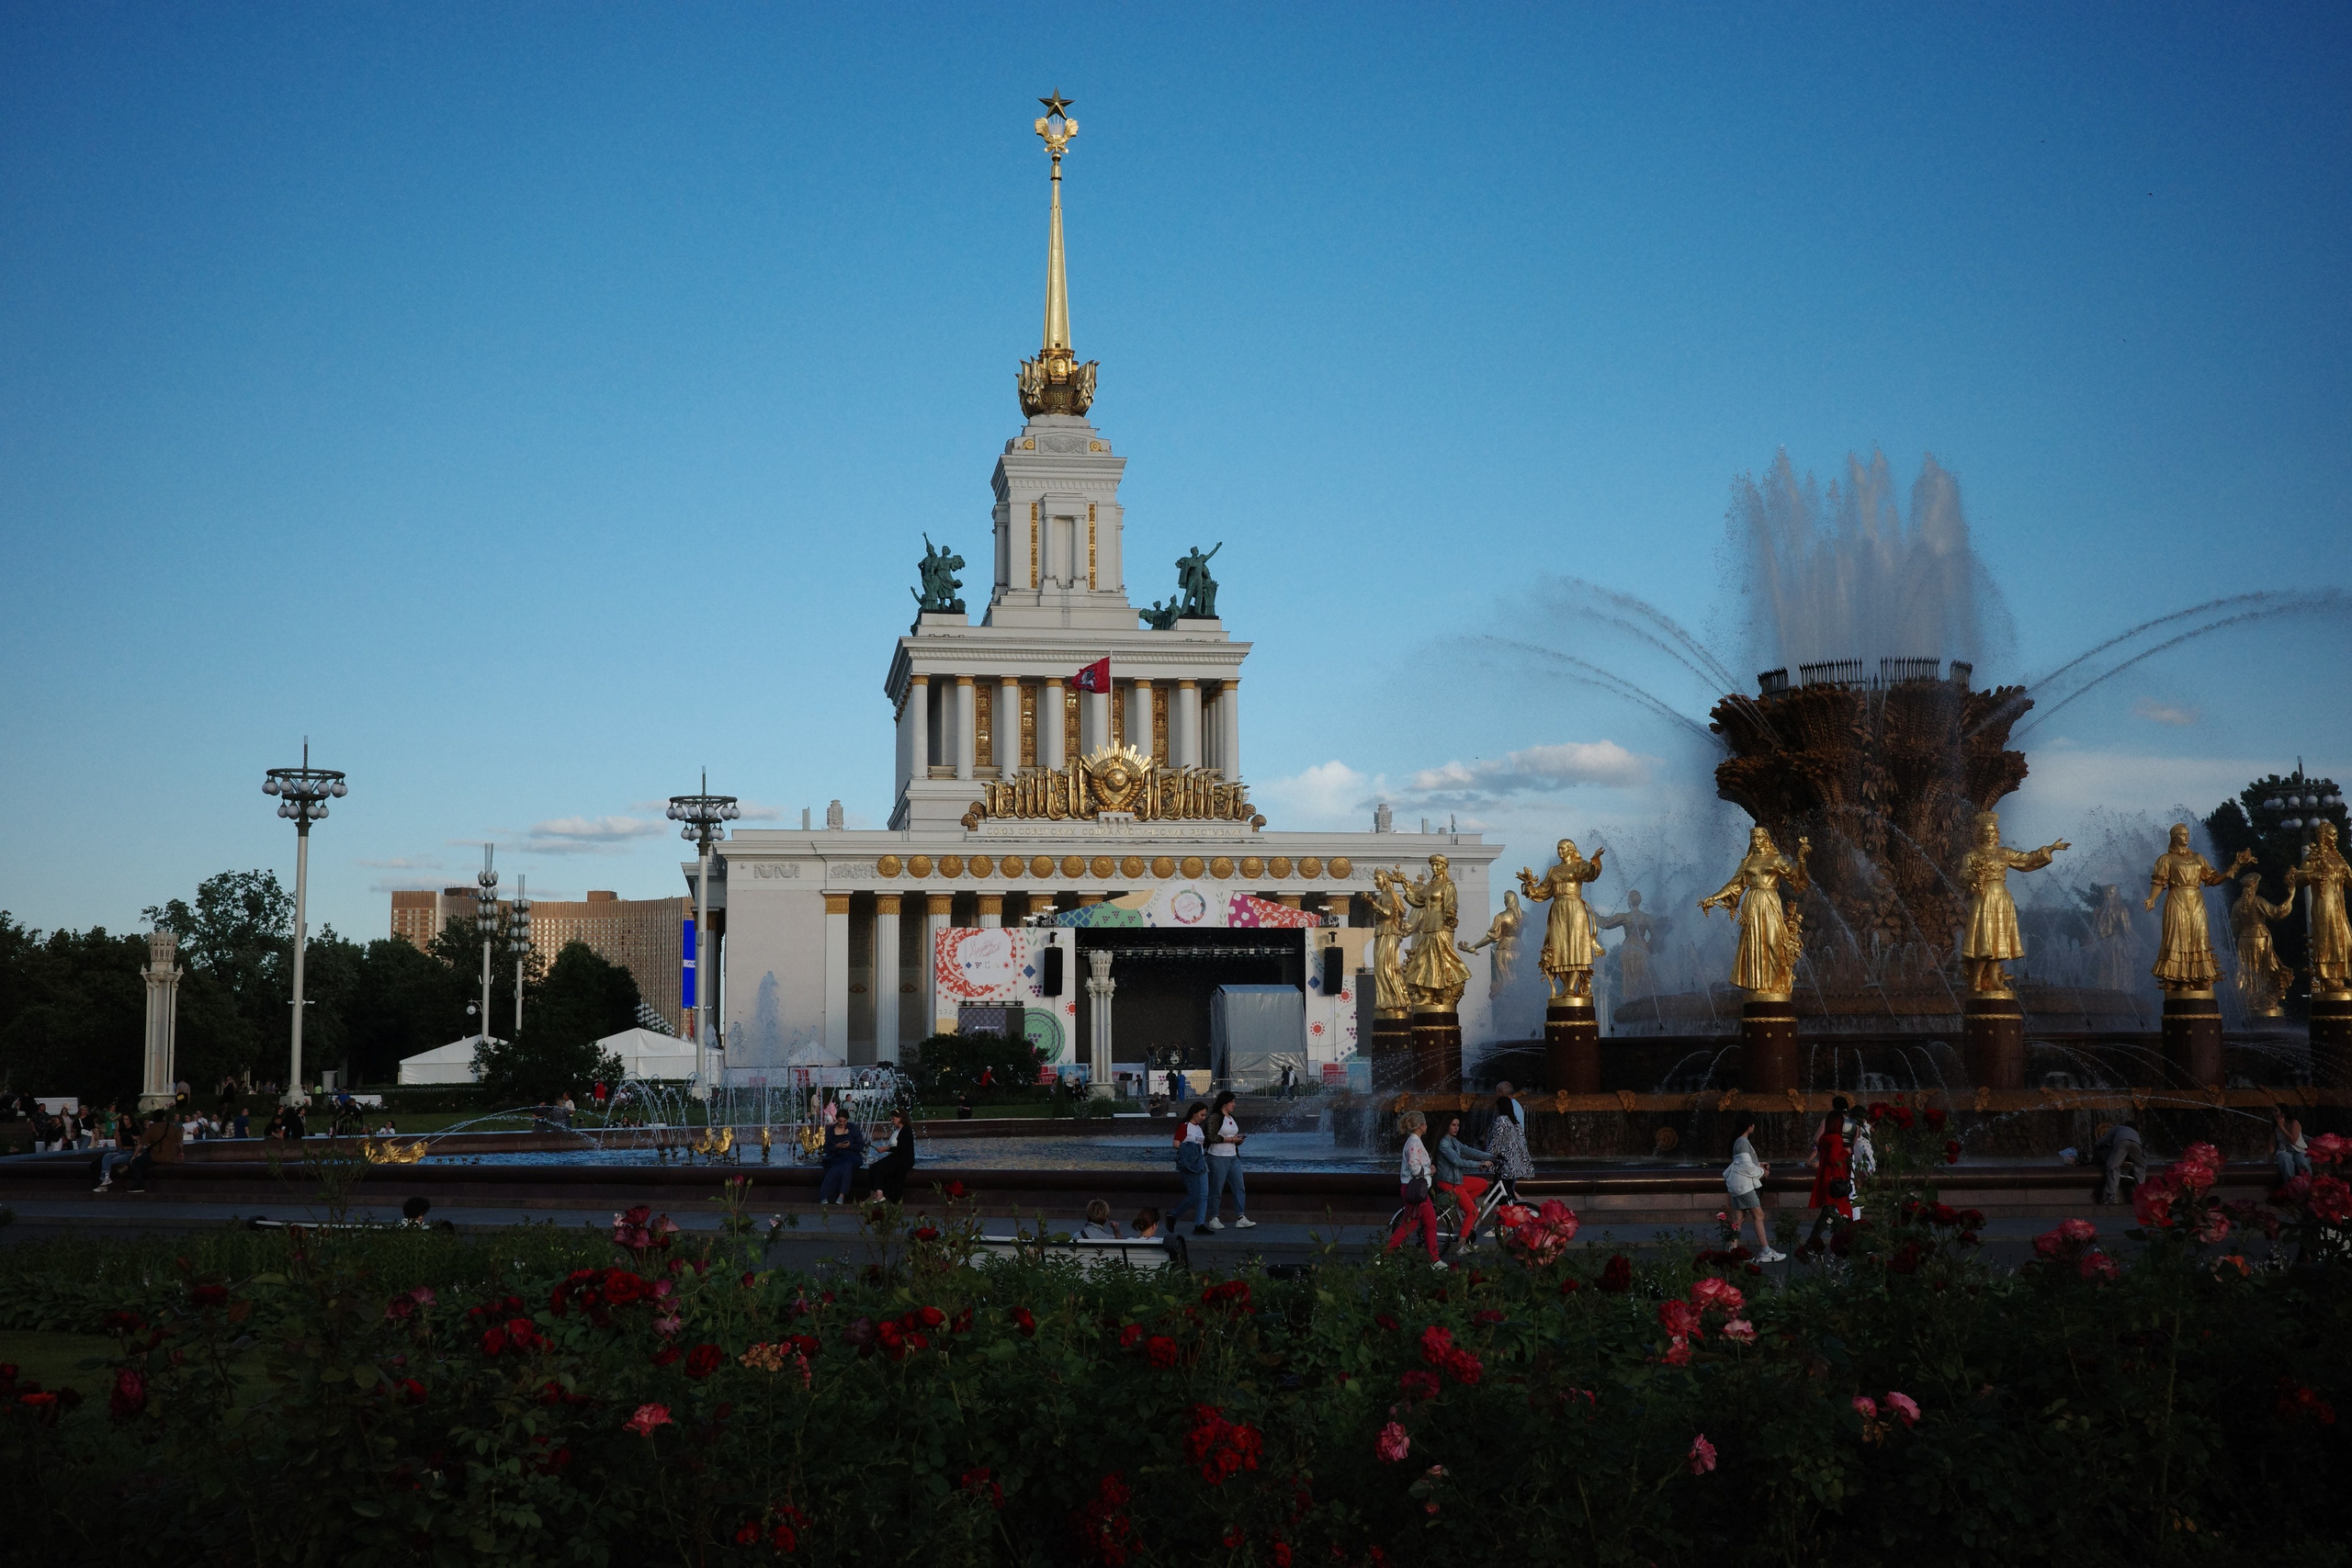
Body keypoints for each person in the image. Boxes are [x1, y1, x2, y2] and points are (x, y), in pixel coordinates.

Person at [1385, 1110, 1445, 1269]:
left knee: (1430, 1223)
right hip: (1416, 1190)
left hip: (1417, 1190)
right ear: (1420, 1126)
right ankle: (1384, 1254)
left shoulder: (1413, 1141)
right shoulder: (1414, 1143)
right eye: (1425, 1123)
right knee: (1409, 1225)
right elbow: (1414, 1168)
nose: (1427, 1126)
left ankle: (1434, 1259)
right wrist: (1430, 1171)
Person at [1724, 1114, 1785, 1261]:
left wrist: (1758, 1164)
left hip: (1737, 1185)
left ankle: (1732, 1251)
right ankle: (1766, 1252)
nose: (1754, 1127)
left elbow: (1742, 1164)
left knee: (1738, 1218)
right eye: (1753, 1124)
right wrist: (1762, 1172)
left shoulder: (1739, 1141)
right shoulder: (1743, 1142)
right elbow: (1745, 1166)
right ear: (1749, 1126)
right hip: (1744, 1186)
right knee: (1759, 1215)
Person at [1433, 1113, 1495, 1248]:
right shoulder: (1444, 1143)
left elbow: (1469, 1150)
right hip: (1450, 1183)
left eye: (1458, 1125)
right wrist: (1479, 1164)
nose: (1456, 1128)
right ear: (1447, 1126)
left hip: (1457, 1180)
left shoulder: (1454, 1141)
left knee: (1482, 1184)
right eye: (1453, 1125)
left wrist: (1492, 1156)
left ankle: (1462, 1206)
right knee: (1473, 1212)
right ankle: (1461, 1246)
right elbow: (1457, 1161)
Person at [1204, 1090, 1256, 1231]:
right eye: (1232, 1102)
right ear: (1225, 1103)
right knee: (1217, 1188)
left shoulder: (1231, 1117)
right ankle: (1214, 1217)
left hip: (1233, 1156)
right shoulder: (1215, 1117)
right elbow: (1211, 1137)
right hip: (1218, 1157)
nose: (1234, 1105)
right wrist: (1232, 1139)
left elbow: (1230, 1135)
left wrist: (1237, 1140)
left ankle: (1241, 1217)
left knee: (1239, 1187)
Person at [1804, 1107, 1852, 1247]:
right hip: (1836, 1178)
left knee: (1830, 1211)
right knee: (1838, 1210)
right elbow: (1833, 1159)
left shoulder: (1825, 1138)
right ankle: (1843, 1242)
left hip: (1826, 1177)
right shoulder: (1836, 1139)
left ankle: (1819, 1242)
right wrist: (1846, 1152)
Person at [2073, 1121, 2145, 1204]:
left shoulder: (2117, 1128)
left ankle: (2111, 1197)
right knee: (2141, 1167)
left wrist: (2097, 1145)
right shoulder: (2135, 1133)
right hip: (2137, 1143)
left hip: (2122, 1141)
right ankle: (2141, 1197)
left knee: (2112, 1166)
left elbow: (2104, 1140)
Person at [1171, 1101, 1213, 1235]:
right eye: (1201, 1115)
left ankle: (1199, 1224)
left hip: (1200, 1163)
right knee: (1194, 1195)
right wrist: (1191, 1148)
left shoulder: (1199, 1128)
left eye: (1205, 1115)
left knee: (1204, 1195)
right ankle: (1173, 1215)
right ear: (1194, 1113)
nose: (1203, 1118)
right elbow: (1176, 1144)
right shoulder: (1185, 1126)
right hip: (1189, 1164)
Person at [1486, 1093, 1533, 1208]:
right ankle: (1505, 1221)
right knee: (1505, 1194)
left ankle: (1516, 1215)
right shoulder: (1515, 1122)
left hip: (1504, 1166)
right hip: (1514, 1165)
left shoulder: (1501, 1121)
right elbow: (1522, 1142)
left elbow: (1496, 1141)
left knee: (1500, 1196)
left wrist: (1487, 1158)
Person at [817, 1112, 865, 1204]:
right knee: (834, 1169)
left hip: (851, 1157)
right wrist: (836, 1146)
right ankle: (824, 1195)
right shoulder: (831, 1130)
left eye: (844, 1121)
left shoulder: (853, 1129)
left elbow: (860, 1146)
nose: (842, 1123)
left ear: (847, 1120)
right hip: (836, 1157)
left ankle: (841, 1195)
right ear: (836, 1120)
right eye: (840, 1121)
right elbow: (826, 1148)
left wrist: (849, 1145)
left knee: (847, 1167)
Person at [868, 1109, 916, 1202]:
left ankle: (879, 1195)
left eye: (893, 1118)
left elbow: (902, 1148)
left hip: (904, 1159)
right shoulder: (898, 1129)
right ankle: (875, 1194)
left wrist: (886, 1149)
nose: (892, 1121)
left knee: (878, 1168)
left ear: (900, 1118)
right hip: (897, 1156)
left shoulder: (906, 1130)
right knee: (874, 1167)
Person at [2272, 1106, 2311, 1186]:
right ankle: (2290, 1185)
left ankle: (2309, 1183)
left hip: (2300, 1151)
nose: (2273, 1113)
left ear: (2283, 1113)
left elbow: (2293, 1140)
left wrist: (2282, 1127)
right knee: (2286, 1160)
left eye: (2275, 1110)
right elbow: (2272, 1144)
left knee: (2302, 1161)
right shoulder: (2275, 1127)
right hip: (2284, 1151)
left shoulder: (2294, 1123)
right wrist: (2269, 1159)